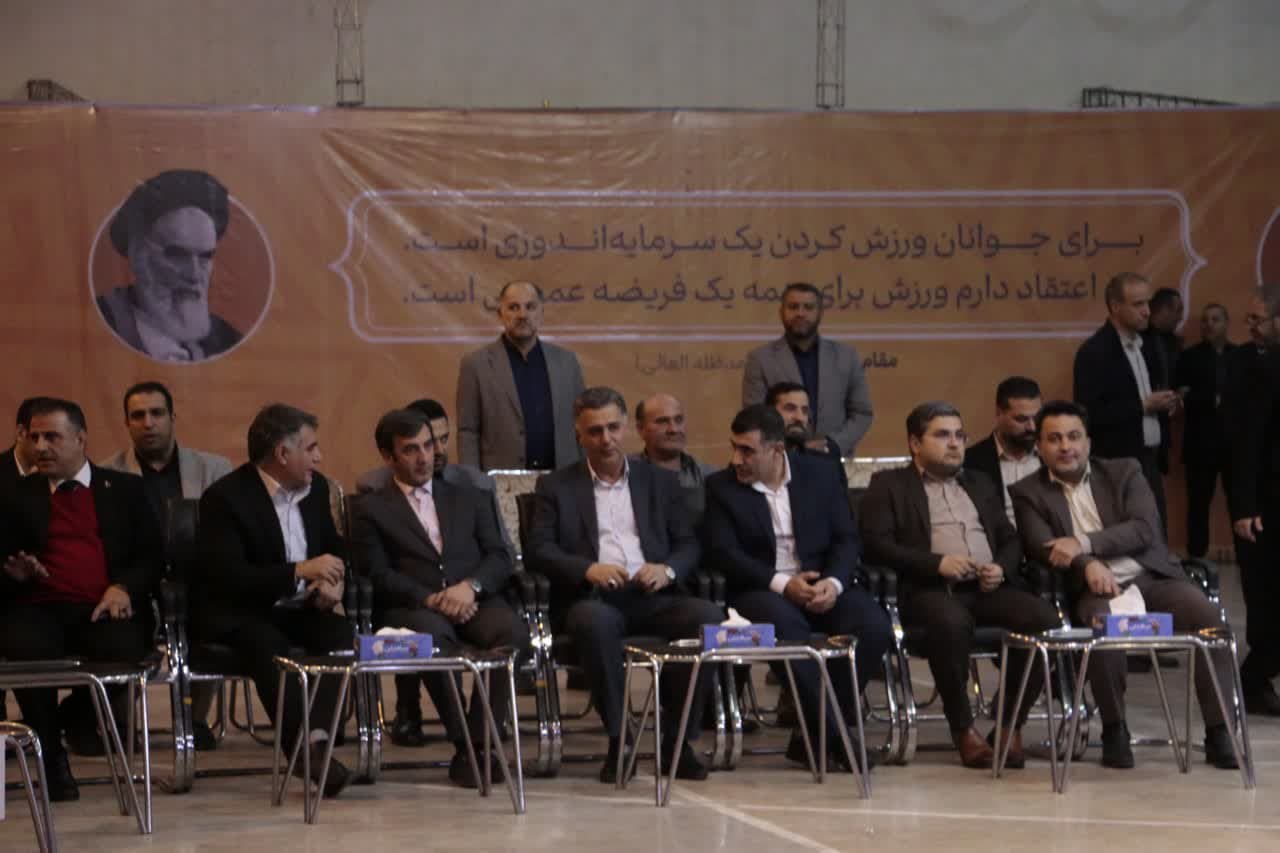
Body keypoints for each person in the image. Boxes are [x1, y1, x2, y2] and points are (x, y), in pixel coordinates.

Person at [1010, 400, 1239, 770]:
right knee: (1106, 629)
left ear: (1088, 442)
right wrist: (1087, 564)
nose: (1066, 446)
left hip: (1151, 578)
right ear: (1039, 446)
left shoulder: (1124, 471)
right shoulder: (1027, 492)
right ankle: (1114, 728)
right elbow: (1042, 546)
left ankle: (1219, 730)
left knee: (1209, 619)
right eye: (1054, 439)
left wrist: (1083, 544)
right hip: (1092, 590)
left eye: (1073, 437)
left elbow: (1144, 529)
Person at [526, 387, 722, 783]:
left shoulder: (659, 482)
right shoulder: (556, 486)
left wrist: (667, 570)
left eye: (613, 428)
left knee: (706, 617)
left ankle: (677, 741)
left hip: (652, 593)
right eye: (594, 431)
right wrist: (587, 569)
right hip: (594, 597)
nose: (606, 439)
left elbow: (688, 544)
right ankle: (620, 738)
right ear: (579, 435)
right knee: (593, 622)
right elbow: (539, 550)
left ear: (627, 429)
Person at [859, 402, 1060, 769]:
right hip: (928, 591)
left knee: (1044, 620)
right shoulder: (890, 485)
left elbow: (1009, 537)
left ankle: (1008, 725)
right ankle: (963, 729)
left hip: (987, 588)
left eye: (959, 435)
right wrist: (937, 564)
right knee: (950, 623)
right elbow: (876, 545)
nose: (954, 444)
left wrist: (1002, 567)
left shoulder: (979, 483)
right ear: (915, 443)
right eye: (942, 435)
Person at [703, 404, 892, 771]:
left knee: (874, 627)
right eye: (734, 448)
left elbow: (846, 538)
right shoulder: (721, 487)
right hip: (762, 589)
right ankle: (837, 738)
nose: (737, 459)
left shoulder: (820, 474)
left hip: (821, 582)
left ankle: (812, 736)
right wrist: (783, 584)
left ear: (777, 450)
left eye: (747, 450)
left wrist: (833, 583)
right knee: (790, 631)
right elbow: (723, 553)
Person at [352, 409, 528, 787]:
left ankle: (480, 741)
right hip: (414, 607)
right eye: (410, 450)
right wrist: (431, 598)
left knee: (511, 633)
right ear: (388, 457)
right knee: (430, 640)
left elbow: (500, 556)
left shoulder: (470, 496)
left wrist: (471, 587)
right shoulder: (370, 509)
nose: (424, 457)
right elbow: (376, 573)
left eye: (428, 446)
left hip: (473, 599)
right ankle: (465, 744)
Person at [0, 397, 161, 801]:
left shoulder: (124, 490)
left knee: (129, 651)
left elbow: (152, 556)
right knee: (24, 650)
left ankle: (64, 721)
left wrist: (124, 586)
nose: (40, 447)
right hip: (38, 607)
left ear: (80, 439)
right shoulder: (15, 495)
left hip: (103, 609)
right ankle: (51, 758)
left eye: (51, 437)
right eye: (35, 438)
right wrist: (15, 573)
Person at [192, 404, 354, 798]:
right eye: (311, 448)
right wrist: (299, 571)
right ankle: (309, 753)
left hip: (300, 609)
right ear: (283, 453)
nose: (319, 457)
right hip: (241, 613)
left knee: (342, 636)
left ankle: (315, 740)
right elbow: (229, 577)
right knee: (268, 645)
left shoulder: (317, 489)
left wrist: (333, 584)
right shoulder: (225, 499)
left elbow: (336, 551)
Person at [98, 380, 232, 749]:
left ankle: (194, 720)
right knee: (120, 623)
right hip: (136, 581)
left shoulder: (213, 468)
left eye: (156, 413)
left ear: (173, 417)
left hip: (197, 579)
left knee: (212, 616)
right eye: (138, 415)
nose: (148, 423)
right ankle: (121, 725)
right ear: (127, 423)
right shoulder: (107, 474)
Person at [96, 169, 243, 362]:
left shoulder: (226, 341)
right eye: (178, 255)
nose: (194, 275)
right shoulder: (100, 323)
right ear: (139, 255)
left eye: (205, 257)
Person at [1073, 272, 1178, 528]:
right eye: (1138, 304)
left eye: (1148, 303)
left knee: (1157, 535)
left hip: (1149, 461)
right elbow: (1089, 414)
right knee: (1127, 537)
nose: (1147, 311)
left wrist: (1167, 402)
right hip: (1115, 465)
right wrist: (1143, 406)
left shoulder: (1149, 344)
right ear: (1115, 306)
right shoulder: (1095, 352)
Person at [456, 281, 585, 471]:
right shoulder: (476, 365)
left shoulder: (567, 362)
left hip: (562, 478)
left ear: (541, 313)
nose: (522, 315)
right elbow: (468, 432)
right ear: (500, 314)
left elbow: (583, 424)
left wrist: (584, 477)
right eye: (513, 307)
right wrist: (473, 481)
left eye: (530, 307)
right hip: (501, 481)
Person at [742, 282, 874, 457]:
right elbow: (755, 417)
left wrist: (832, 445)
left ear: (820, 313)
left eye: (808, 307)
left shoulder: (846, 356)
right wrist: (791, 449)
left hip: (833, 460)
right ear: (781, 312)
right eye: (793, 307)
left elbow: (862, 413)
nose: (800, 313)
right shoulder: (760, 359)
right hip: (781, 461)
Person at [1227, 291, 1280, 715]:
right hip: (1265, 507)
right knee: (1268, 602)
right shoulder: (1262, 369)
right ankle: (1252, 679)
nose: (1254, 328)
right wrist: (1244, 507)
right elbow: (1245, 443)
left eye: (1260, 320)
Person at [1176, 304, 1236, 559]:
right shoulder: (1190, 357)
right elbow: (1181, 397)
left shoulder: (1239, 355)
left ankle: (1247, 555)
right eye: (1205, 320)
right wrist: (1215, 399)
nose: (1209, 324)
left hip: (1234, 445)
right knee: (1198, 505)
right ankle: (1196, 560)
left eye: (1215, 319)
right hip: (1200, 444)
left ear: (1226, 323)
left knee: (1239, 503)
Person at [964, 377, 1043, 525]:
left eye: (1037, 418)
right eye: (1021, 419)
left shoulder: (1052, 456)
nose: (1032, 427)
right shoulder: (970, 462)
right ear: (999, 413)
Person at [629, 393, 717, 521]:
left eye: (679, 420)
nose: (673, 429)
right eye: (662, 422)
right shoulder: (625, 474)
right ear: (640, 429)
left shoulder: (711, 478)